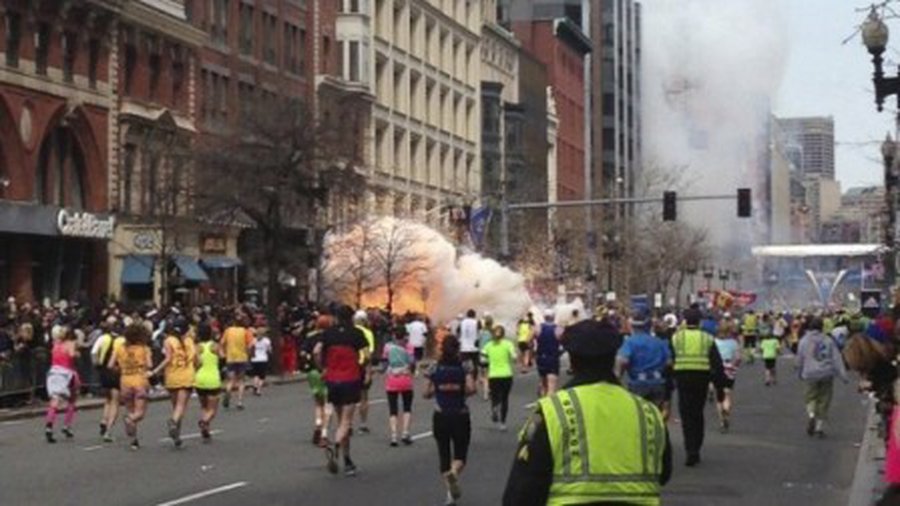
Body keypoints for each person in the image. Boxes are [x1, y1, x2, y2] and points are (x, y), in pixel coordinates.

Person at [502, 318, 672, 506]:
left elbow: (523, 489)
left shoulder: (553, 412)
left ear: (573, 361)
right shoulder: (649, 412)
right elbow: (664, 473)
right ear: (613, 357)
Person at [315, 306, 371, 477]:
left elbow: (316, 350)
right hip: (350, 379)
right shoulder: (357, 334)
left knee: (340, 419)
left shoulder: (328, 334)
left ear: (337, 317)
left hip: (332, 379)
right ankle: (337, 445)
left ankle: (347, 460)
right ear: (352, 317)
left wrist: (322, 368)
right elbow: (367, 355)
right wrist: (366, 370)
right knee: (346, 422)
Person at [425, 335, 476, 506]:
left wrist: (439, 390)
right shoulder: (465, 365)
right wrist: (459, 390)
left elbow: (426, 393)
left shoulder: (434, 367)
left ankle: (449, 495)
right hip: (460, 414)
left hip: (440, 415)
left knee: (444, 454)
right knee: (460, 454)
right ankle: (454, 473)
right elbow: (471, 388)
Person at [671, 306, 725, 466]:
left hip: (682, 378)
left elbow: (670, 359)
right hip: (701, 377)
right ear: (700, 321)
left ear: (685, 321)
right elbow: (717, 364)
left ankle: (689, 448)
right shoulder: (707, 338)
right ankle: (696, 448)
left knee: (686, 415)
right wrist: (719, 388)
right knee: (697, 414)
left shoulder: (676, 338)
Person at [796, 317, 848, 438]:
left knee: (810, 398)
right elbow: (836, 359)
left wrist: (800, 372)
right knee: (824, 400)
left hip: (810, 373)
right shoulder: (828, 340)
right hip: (826, 373)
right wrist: (843, 375)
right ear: (822, 327)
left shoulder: (804, 341)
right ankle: (819, 427)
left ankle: (811, 415)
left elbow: (799, 359)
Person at [615, 307, 670, 413]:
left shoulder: (630, 342)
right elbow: (669, 362)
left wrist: (618, 377)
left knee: (639, 417)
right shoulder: (659, 342)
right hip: (657, 383)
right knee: (657, 415)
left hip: (637, 384)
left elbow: (623, 361)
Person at [150, 317, 195, 447]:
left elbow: (168, 359)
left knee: (176, 406)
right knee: (181, 407)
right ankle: (173, 422)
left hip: (172, 376)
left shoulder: (168, 340)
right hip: (187, 376)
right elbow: (197, 360)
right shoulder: (190, 341)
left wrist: (155, 371)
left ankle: (177, 436)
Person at [110, 323, 153, 450]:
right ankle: (130, 419)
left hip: (125, 381)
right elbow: (149, 365)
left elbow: (110, 365)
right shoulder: (144, 349)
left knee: (130, 409)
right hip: (140, 381)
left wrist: (120, 368)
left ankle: (133, 441)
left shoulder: (119, 348)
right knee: (139, 413)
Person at [44, 327, 80, 443]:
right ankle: (67, 425)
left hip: (54, 372)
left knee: (54, 400)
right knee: (72, 399)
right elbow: (72, 355)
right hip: (67, 373)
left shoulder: (55, 344)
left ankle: (49, 425)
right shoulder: (70, 343)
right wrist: (77, 353)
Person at [302, 313, 333, 446]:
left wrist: (308, 359)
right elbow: (318, 352)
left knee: (318, 403)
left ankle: (318, 424)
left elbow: (302, 352)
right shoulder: (330, 338)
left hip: (312, 373)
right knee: (328, 403)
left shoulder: (310, 336)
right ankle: (324, 433)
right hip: (326, 371)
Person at [382, 324, 415, 446]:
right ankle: (405, 432)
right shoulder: (409, 347)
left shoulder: (387, 347)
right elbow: (412, 362)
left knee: (393, 409)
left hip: (392, 379)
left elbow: (384, 363)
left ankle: (394, 436)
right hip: (405, 378)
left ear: (394, 335)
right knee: (407, 407)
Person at [92, 317, 123, 442]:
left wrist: (96, 365)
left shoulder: (102, 338)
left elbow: (94, 352)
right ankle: (108, 430)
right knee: (115, 401)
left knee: (108, 398)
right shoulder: (122, 341)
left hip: (104, 371)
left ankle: (104, 420)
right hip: (116, 371)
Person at [481, 324, 516, 431]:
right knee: (505, 399)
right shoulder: (508, 344)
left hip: (493, 375)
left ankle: (494, 407)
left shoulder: (488, 346)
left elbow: (483, 360)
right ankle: (503, 423)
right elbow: (514, 357)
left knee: (495, 396)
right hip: (506, 374)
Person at [193, 322, 222, 442]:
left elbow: (196, 363)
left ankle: (206, 430)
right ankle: (204, 422)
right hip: (213, 378)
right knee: (213, 409)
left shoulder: (197, 347)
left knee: (204, 406)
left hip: (200, 379)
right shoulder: (215, 346)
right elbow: (222, 356)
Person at [222, 315, 254, 410]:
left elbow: (222, 343)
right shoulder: (246, 332)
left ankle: (228, 391)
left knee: (231, 380)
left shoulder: (228, 331)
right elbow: (250, 345)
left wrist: (224, 352)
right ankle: (239, 402)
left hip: (231, 358)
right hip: (242, 358)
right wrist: (249, 354)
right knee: (241, 380)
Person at [714, 322, 741, 432]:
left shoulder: (714, 342)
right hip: (730, 367)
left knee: (719, 396)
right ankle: (727, 410)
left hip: (718, 368)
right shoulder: (734, 343)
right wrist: (734, 366)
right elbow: (738, 358)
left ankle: (721, 420)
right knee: (727, 392)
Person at [353, 310, 376, 434]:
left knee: (349, 398)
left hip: (350, 366)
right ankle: (363, 424)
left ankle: (348, 423)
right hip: (362, 366)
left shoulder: (349, 331)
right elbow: (369, 353)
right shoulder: (368, 333)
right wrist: (369, 371)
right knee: (364, 397)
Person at [534, 310, 563, 397]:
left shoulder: (537, 328)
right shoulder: (558, 329)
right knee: (551, 385)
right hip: (553, 357)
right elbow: (566, 343)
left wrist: (534, 348)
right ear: (554, 317)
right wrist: (561, 351)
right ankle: (549, 404)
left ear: (544, 317)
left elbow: (528, 341)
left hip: (541, 357)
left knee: (543, 382)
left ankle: (542, 401)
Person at [458, 309, 481, 380]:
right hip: (474, 347)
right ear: (474, 315)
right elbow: (480, 331)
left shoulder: (462, 322)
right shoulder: (477, 322)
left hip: (464, 347)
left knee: (464, 364)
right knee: (475, 364)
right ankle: (474, 379)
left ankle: (464, 379)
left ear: (467, 315)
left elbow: (458, 331)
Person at [250, 327, 272, 396]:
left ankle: (255, 386)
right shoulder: (267, 340)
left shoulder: (254, 340)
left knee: (256, 374)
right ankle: (258, 390)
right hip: (263, 359)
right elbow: (269, 350)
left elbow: (250, 347)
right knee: (262, 376)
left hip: (255, 359)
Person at [477, 313, 495, 400]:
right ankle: (488, 391)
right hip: (491, 356)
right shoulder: (493, 333)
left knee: (484, 375)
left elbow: (476, 342)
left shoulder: (481, 332)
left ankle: (486, 393)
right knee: (489, 375)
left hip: (482, 355)